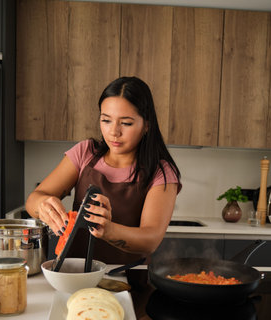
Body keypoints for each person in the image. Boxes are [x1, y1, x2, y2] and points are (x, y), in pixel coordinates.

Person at [26, 76, 181, 264]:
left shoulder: (161, 172)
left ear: (146, 124)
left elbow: (150, 240)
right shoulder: (85, 152)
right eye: (106, 120)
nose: (114, 132)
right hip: (75, 274)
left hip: (127, 279)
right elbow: (34, 199)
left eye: (126, 123)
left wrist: (108, 230)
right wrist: (43, 205)